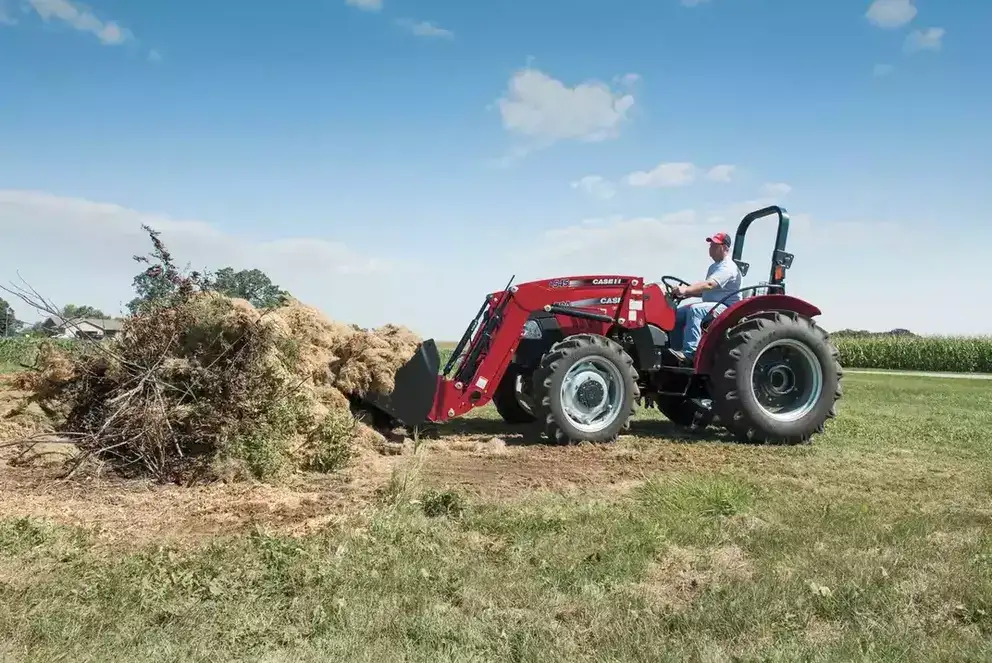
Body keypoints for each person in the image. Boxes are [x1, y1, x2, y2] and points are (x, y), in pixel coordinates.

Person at [667, 231, 742, 362]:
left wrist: (685, 289)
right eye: (710, 245)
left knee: (695, 310)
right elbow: (707, 292)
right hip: (713, 304)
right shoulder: (714, 266)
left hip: (726, 307)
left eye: (715, 246)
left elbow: (709, 285)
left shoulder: (728, 267)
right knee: (676, 314)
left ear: (725, 248)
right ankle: (675, 350)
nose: (710, 249)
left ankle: (690, 353)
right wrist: (686, 294)